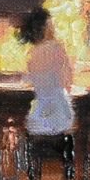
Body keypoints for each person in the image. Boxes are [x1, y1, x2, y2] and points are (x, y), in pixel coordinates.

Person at [19, 7, 75, 136]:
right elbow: (67, 81)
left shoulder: (33, 53)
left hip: (37, 118)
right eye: (51, 25)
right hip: (58, 118)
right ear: (44, 29)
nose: (53, 28)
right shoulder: (56, 48)